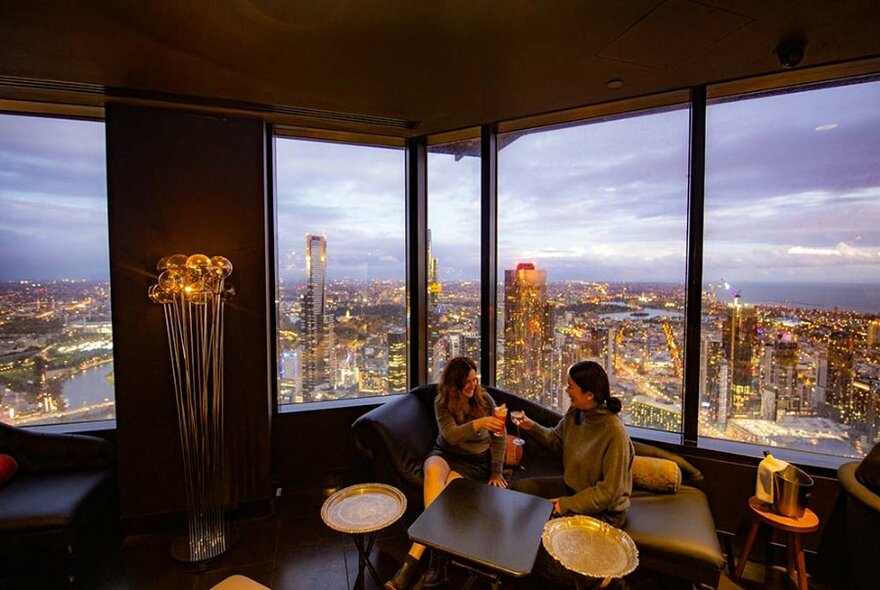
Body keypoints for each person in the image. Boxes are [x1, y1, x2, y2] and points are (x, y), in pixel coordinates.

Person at [385, 356, 508, 590]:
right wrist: (478, 424)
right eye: (468, 382)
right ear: (454, 385)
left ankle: (417, 564)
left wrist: (495, 471)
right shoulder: (442, 402)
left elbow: (499, 439)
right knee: (432, 470)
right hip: (445, 451)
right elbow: (450, 435)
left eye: (475, 379)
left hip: (474, 461)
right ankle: (430, 560)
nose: (474, 386)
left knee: (450, 491)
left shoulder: (486, 400)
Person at [511, 360, 634, 588]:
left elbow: (609, 492)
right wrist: (531, 426)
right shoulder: (576, 413)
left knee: (543, 562)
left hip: (604, 511)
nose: (567, 391)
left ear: (589, 394)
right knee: (519, 492)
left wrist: (565, 505)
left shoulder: (614, 433)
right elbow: (558, 441)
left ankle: (601, 579)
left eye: (570, 387)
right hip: (573, 486)